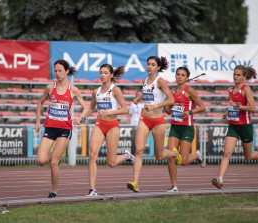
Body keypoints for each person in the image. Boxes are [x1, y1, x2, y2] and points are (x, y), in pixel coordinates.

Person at [127, 56, 181, 193]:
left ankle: (174, 153)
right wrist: (138, 98)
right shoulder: (144, 81)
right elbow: (148, 94)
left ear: (158, 67)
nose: (149, 66)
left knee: (159, 155)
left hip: (158, 121)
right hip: (144, 119)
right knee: (138, 150)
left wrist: (156, 106)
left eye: (153, 64)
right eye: (148, 64)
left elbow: (171, 100)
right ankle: (135, 182)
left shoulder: (160, 81)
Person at [35, 59, 89, 198]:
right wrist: (37, 122)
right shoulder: (49, 88)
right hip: (50, 128)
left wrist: (80, 118)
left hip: (65, 130)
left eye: (60, 71)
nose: (57, 73)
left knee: (53, 162)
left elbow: (86, 108)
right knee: (41, 161)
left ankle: (53, 191)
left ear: (66, 71)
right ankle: (55, 157)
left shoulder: (73, 90)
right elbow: (40, 103)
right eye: (55, 71)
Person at [212, 65, 258, 189]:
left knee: (248, 156)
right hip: (233, 126)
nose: (235, 77)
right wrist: (228, 113)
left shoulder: (245, 89)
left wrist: (237, 106)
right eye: (234, 74)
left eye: (238, 75)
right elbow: (234, 107)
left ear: (244, 77)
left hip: (245, 126)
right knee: (226, 153)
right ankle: (220, 179)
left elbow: (253, 108)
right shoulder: (231, 90)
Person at [83, 64, 135, 196]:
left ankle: (127, 156)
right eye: (101, 72)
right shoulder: (96, 91)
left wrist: (109, 112)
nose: (102, 75)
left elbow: (124, 109)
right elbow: (91, 108)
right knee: (93, 154)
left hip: (112, 126)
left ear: (111, 75)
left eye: (105, 73)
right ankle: (92, 189)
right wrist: (82, 118)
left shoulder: (115, 90)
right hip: (99, 125)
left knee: (111, 162)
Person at [164, 67, 206, 192]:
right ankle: (174, 186)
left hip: (187, 128)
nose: (179, 77)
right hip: (175, 127)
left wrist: (190, 112)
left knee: (182, 161)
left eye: (182, 75)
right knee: (171, 156)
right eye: (178, 74)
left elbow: (203, 107)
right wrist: (165, 105)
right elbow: (168, 111)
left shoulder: (190, 91)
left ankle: (198, 155)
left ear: (187, 78)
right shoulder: (172, 91)